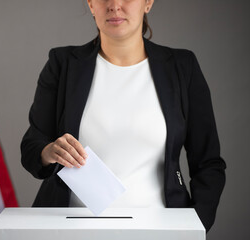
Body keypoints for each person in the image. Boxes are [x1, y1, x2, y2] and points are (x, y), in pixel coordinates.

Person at [21, 0, 226, 233]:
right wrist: (48, 152)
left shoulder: (182, 67)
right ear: (90, 4)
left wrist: (194, 227)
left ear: (148, 3)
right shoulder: (62, 64)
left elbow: (208, 163)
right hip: (71, 229)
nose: (114, 5)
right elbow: (31, 146)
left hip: (159, 230)